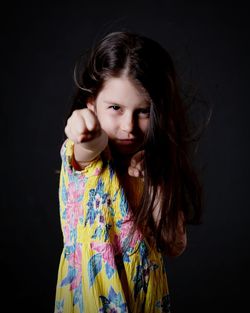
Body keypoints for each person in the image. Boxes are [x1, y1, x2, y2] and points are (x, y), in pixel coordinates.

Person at [54, 31, 203, 313]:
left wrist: (156, 184)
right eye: (115, 108)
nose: (129, 126)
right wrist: (83, 126)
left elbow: (174, 244)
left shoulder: (153, 166)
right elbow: (90, 143)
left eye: (143, 111)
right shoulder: (88, 157)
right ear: (92, 105)